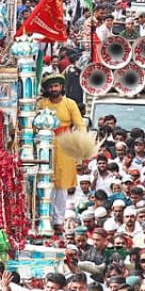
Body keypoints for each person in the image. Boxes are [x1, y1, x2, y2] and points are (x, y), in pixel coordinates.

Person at [39, 74, 86, 225]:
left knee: (62, 185)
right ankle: (44, 218)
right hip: (44, 147)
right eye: (51, 87)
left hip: (64, 148)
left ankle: (58, 221)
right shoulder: (42, 104)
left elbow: (80, 126)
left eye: (56, 86)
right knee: (44, 182)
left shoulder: (70, 103)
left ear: (61, 87)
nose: (54, 89)